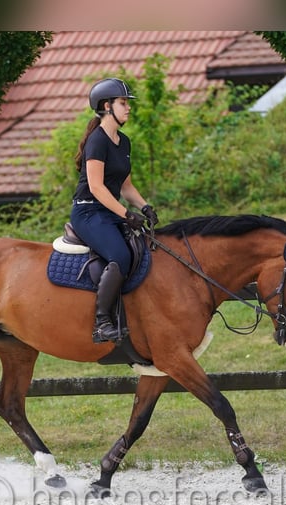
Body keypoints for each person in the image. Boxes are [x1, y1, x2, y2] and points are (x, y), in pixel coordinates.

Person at [70, 78, 159, 343]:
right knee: (120, 255)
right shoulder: (97, 141)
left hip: (109, 211)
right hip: (88, 212)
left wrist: (143, 206)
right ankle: (102, 323)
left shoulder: (124, 142)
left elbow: (126, 185)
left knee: (144, 248)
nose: (128, 108)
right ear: (107, 106)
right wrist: (126, 214)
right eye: (123, 103)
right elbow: (96, 187)